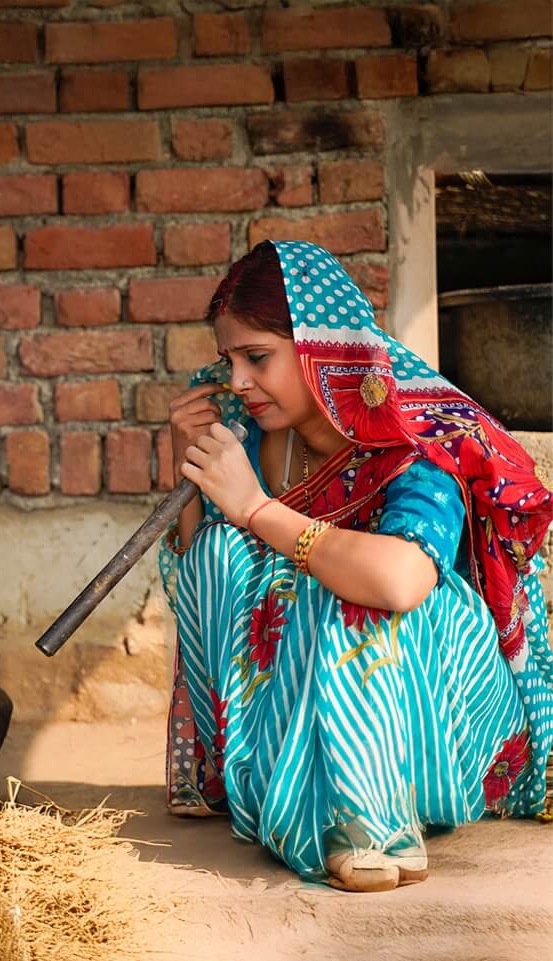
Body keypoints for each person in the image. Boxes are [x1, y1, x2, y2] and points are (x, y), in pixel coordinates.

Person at [159, 240, 553, 892]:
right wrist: (190, 472)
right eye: (228, 359)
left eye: (257, 358)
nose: (235, 382)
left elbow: (400, 581)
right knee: (217, 554)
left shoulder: (414, 438)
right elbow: (205, 589)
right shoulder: (249, 434)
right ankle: (274, 788)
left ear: (322, 350)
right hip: (307, 704)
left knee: (352, 588)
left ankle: (371, 819)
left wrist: (256, 508)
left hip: (437, 709)